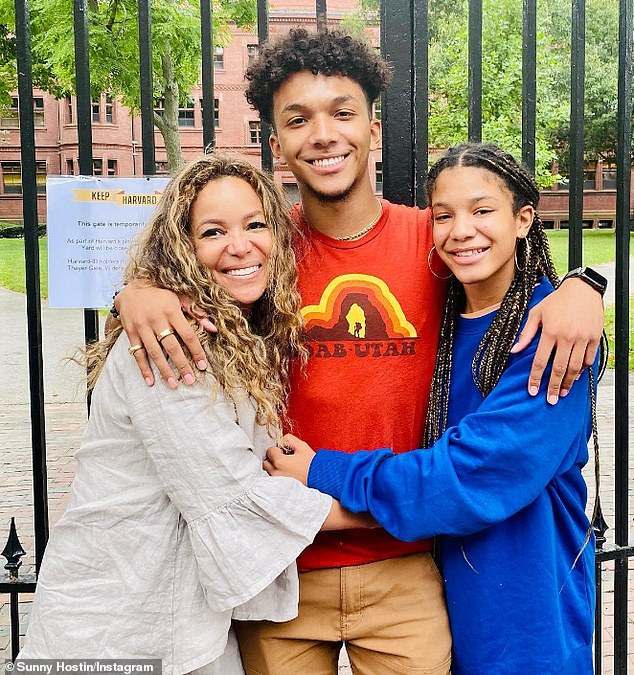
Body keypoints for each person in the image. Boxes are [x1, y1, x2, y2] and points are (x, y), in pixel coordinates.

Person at [113, 30, 605, 675]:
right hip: (281, 569)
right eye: (298, 119)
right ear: (275, 141)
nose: (323, 134)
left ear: (372, 127)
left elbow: (504, 271)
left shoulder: (432, 241)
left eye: (342, 112)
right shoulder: (261, 251)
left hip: (405, 563)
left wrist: (584, 286)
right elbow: (187, 262)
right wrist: (136, 289)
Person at [17, 153, 373, 674]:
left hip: (185, 620)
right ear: (182, 248)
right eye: (212, 232)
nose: (240, 245)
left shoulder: (232, 331)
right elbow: (233, 499)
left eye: (256, 224)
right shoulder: (170, 343)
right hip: (117, 627)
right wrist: (398, 511)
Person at [266, 142, 605, 674]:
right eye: (443, 215)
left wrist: (320, 470)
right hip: (447, 600)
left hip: (526, 614)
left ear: (524, 220)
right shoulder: (444, 316)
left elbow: (463, 475)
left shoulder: (552, 338)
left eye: (482, 210)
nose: (462, 229)